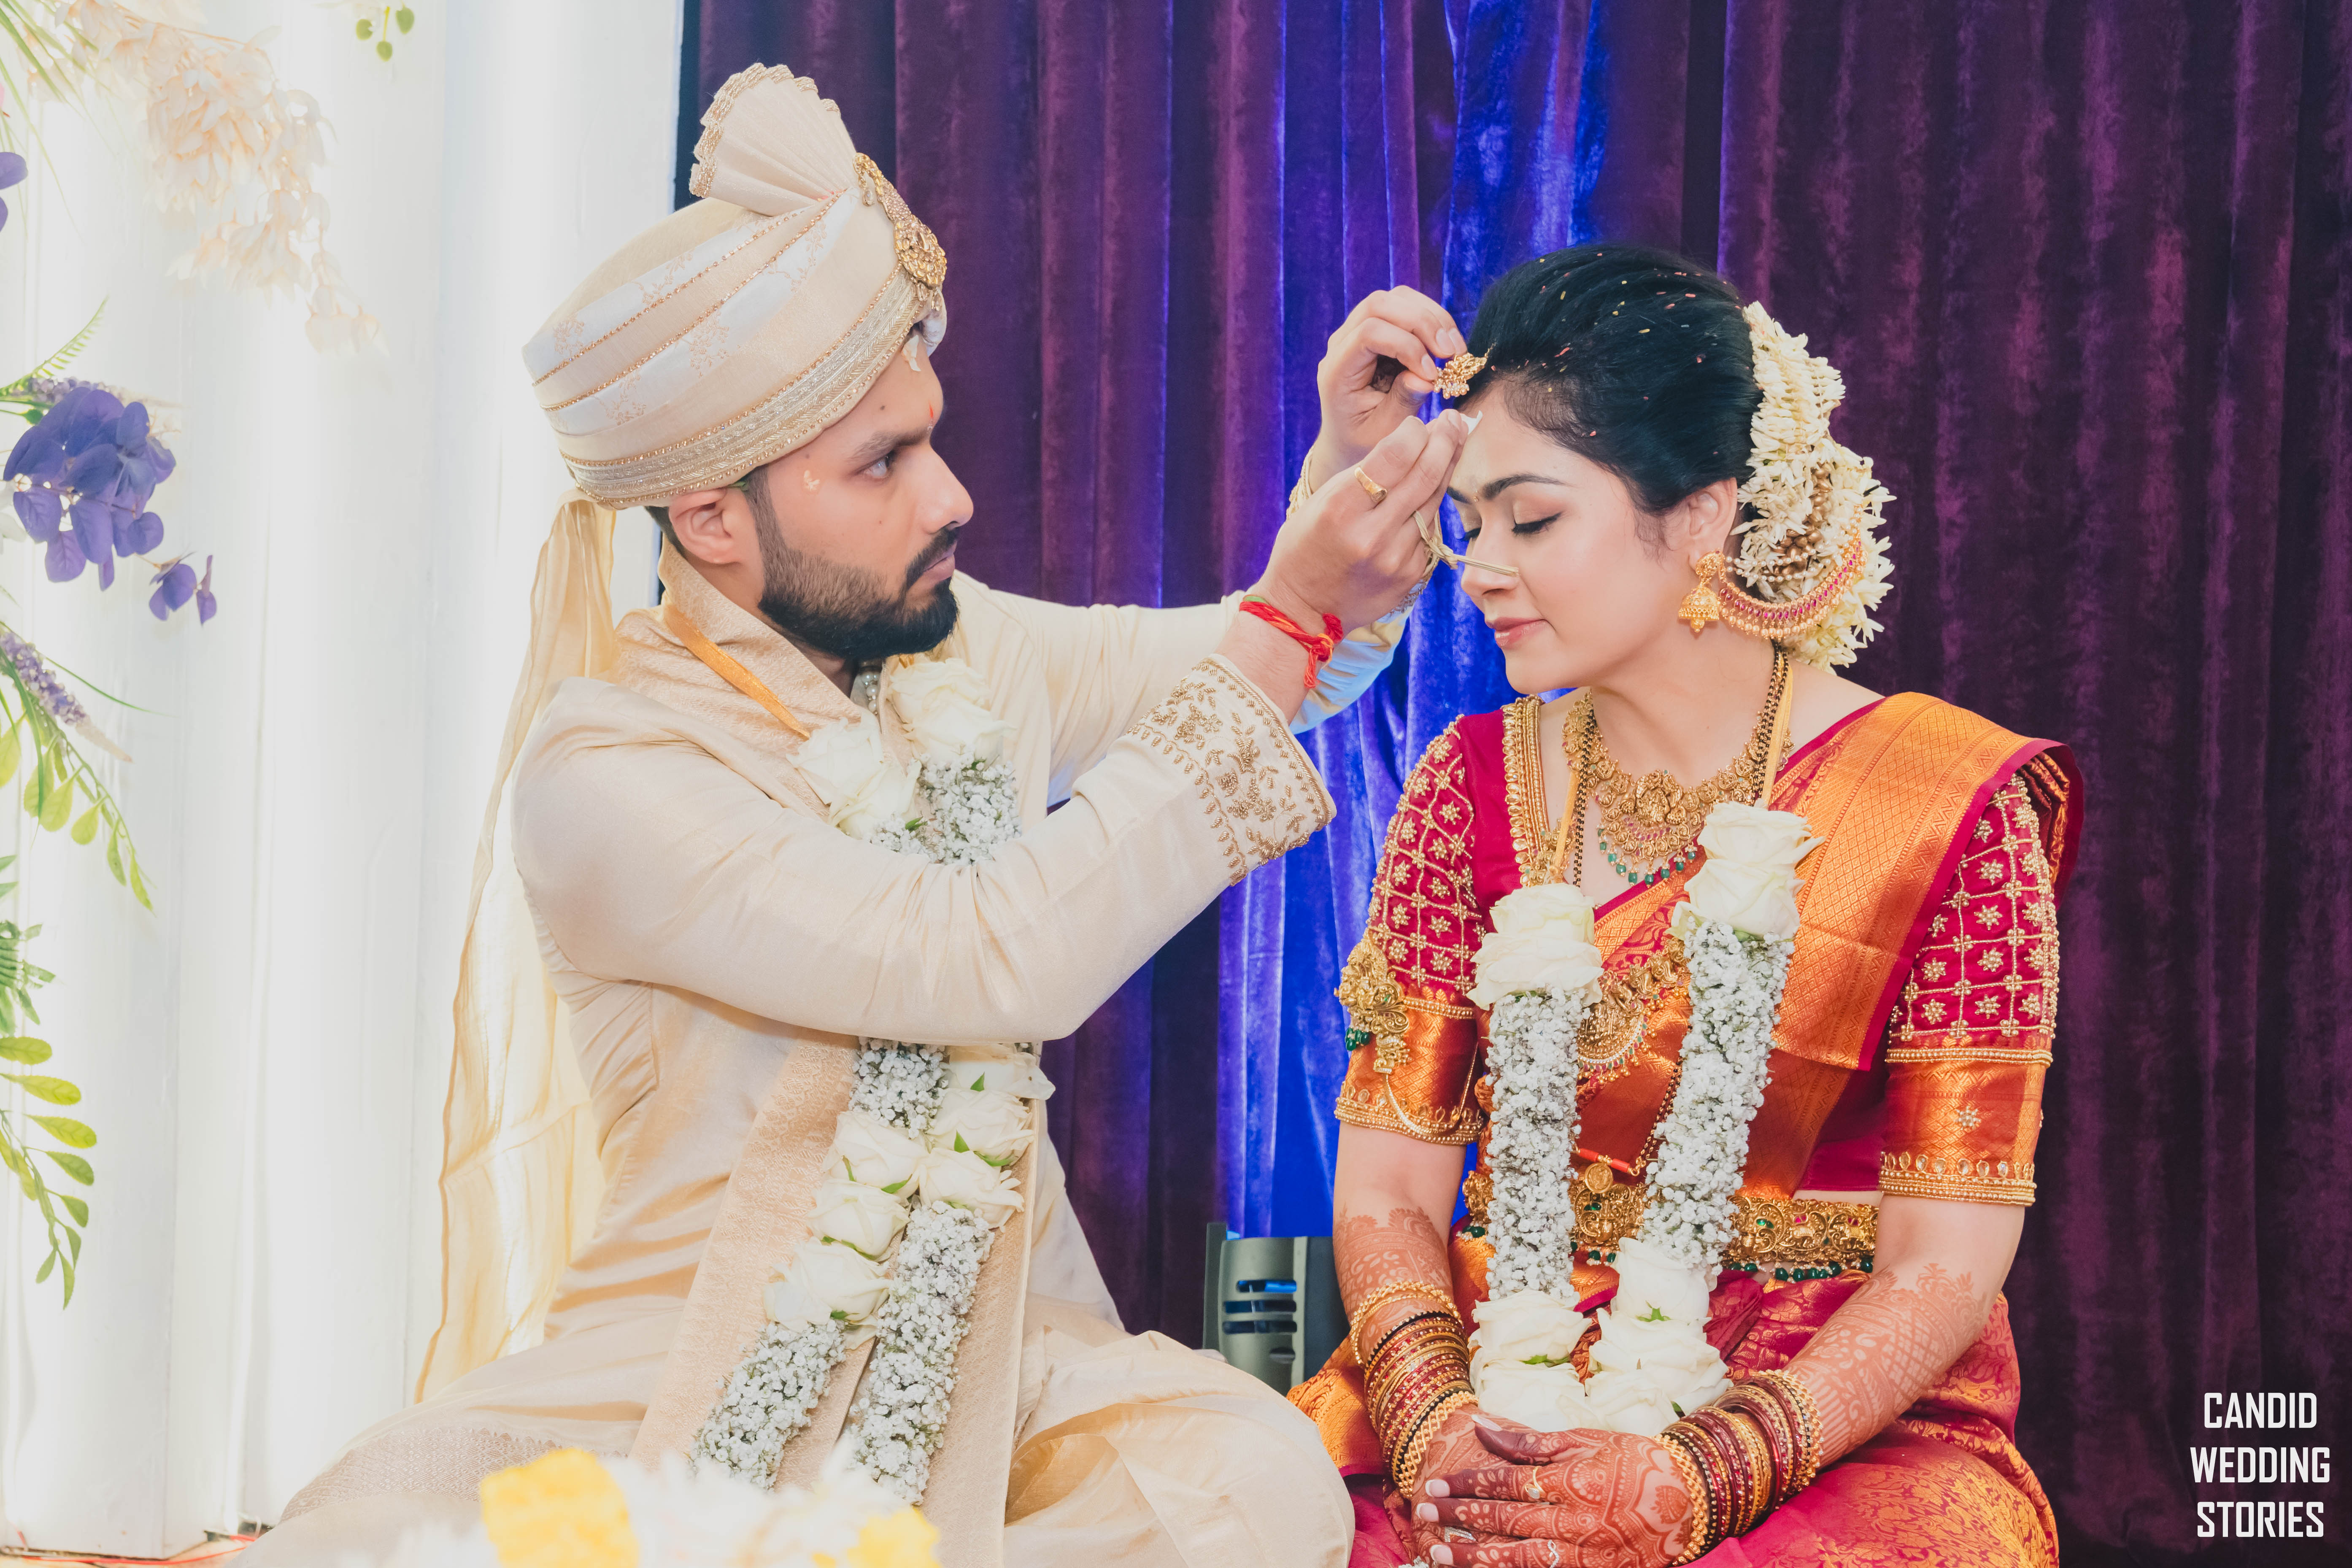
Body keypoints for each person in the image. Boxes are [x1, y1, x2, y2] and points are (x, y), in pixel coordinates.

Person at [245, 65, 1477, 1567]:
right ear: (712, 518)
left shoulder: (963, 651)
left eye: (929, 437)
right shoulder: (610, 767)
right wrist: (1288, 619)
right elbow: (972, 954)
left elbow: (1276, 665)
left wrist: (1352, 479)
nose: (950, 497)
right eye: (882, 462)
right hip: (687, 1356)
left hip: (1012, 1354)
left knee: (1261, 1483)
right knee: (366, 1536)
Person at [1289, 244, 2082, 1568]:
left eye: (1532, 520)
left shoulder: (1946, 805)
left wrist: (1695, 1482)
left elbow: (1945, 1259)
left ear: (1706, 517)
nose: (1481, 569)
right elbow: (1389, 1185)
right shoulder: (1466, 788)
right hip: (1487, 1381)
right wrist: (1436, 1427)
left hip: (1831, 1415)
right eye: (1469, 524)